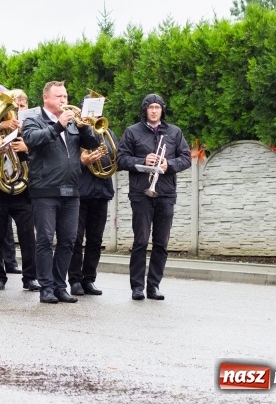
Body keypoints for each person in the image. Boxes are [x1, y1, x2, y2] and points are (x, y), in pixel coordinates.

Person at [22, 81, 100, 304]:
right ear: (46, 98)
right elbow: (32, 140)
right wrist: (58, 126)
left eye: (65, 96)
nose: (64, 101)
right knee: (45, 239)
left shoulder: (73, 122)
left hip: (71, 191)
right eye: (59, 97)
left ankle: (59, 285)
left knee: (68, 241)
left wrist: (85, 126)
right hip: (44, 190)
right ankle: (46, 287)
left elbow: (93, 143)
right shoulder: (32, 120)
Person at [117, 93, 191, 301]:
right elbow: (121, 159)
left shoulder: (174, 133)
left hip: (166, 192)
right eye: (150, 107)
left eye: (158, 107)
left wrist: (169, 165)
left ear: (162, 110)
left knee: (161, 242)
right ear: (145, 110)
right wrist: (142, 160)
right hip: (141, 193)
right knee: (140, 240)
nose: (154, 110)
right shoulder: (132, 132)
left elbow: (186, 158)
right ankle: (137, 287)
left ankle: (154, 286)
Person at [0, 90, 40, 292]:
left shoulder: (32, 125)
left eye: (22, 103)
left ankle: (30, 277)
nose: (18, 107)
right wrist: (1, 126)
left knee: (28, 235)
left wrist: (26, 147)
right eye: (15, 103)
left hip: (23, 187)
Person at [69, 125, 117, 296]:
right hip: (79, 193)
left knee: (95, 240)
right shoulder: (73, 132)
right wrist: (82, 162)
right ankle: (74, 280)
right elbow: (65, 161)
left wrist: (100, 156)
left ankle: (89, 279)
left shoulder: (107, 133)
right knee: (75, 239)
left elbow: (114, 159)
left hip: (101, 192)